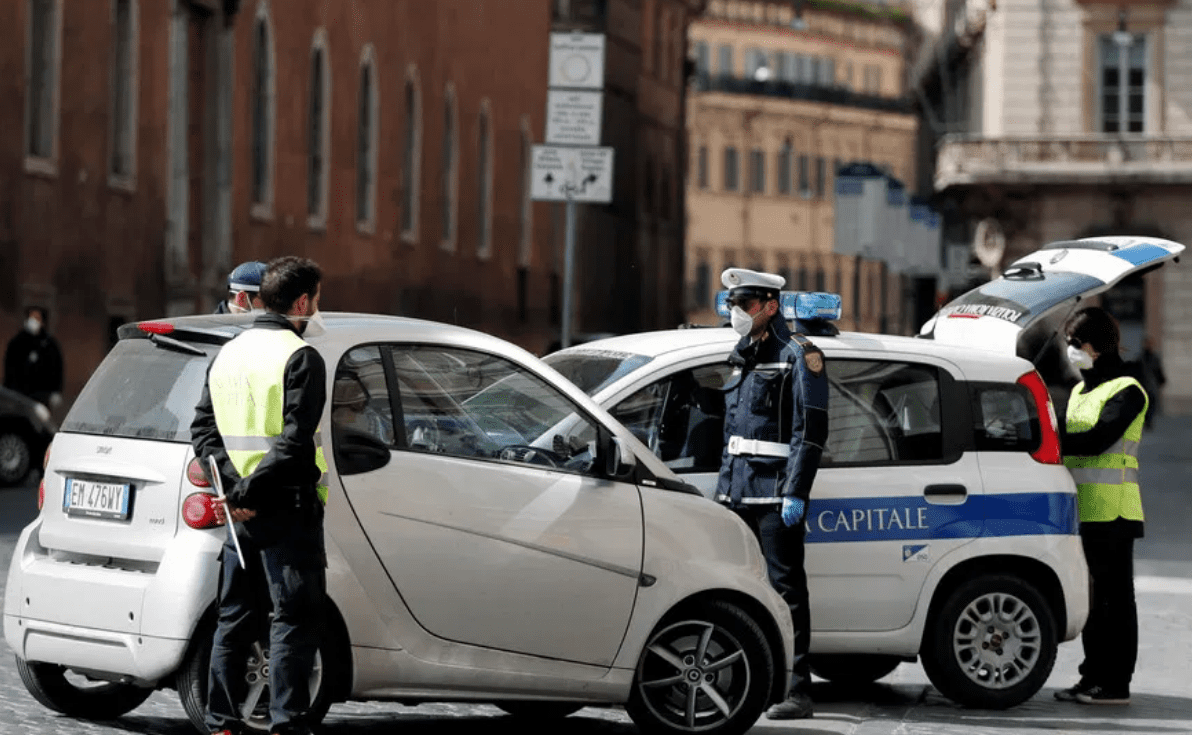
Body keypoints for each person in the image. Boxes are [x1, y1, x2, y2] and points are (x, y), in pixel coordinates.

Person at [191, 256, 329, 735]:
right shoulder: (302, 356)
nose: (317, 309)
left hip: (240, 518)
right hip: (286, 511)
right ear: (301, 301)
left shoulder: (227, 353)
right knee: (293, 618)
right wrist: (248, 490)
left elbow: (202, 431)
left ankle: (222, 722)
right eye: (316, 299)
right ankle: (288, 722)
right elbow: (294, 442)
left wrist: (232, 490)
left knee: (234, 618)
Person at [713, 267, 828, 720]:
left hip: (775, 496)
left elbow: (810, 432)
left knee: (786, 592)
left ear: (770, 306)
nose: (737, 313)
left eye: (745, 305)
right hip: (737, 493)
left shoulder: (801, 354)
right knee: (737, 593)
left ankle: (798, 691)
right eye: (733, 305)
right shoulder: (742, 352)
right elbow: (732, 429)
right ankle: (749, 681)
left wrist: (795, 491)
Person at [1054, 306, 1147, 706]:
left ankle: (1115, 683)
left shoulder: (1128, 389)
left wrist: (1052, 438)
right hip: (1081, 510)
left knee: (1115, 600)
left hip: (1115, 510)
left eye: (1075, 344)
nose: (1070, 351)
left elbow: (1096, 441)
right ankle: (1092, 677)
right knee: (1092, 601)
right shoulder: (1079, 390)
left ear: (1094, 346)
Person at [4, 305, 64, 410]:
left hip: (42, 396)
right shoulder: (17, 343)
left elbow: (57, 368)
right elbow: (9, 367)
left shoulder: (50, 345)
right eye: (30, 318)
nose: (32, 321)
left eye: (36, 318)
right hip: (19, 395)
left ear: (43, 322)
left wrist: (56, 391)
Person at [1137, 338, 1166, 428]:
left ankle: (1148, 420)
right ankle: (1146, 420)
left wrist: (1161, 380)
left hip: (1151, 385)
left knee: (1151, 404)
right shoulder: (1140, 358)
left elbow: (1158, 371)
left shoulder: (1154, 358)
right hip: (1144, 385)